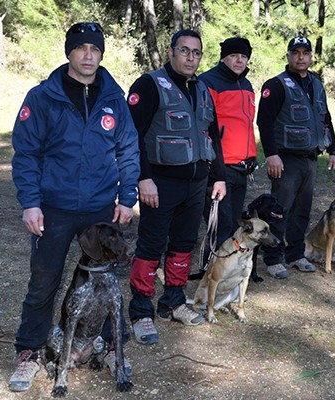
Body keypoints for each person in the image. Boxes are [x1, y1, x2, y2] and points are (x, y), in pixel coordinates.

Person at [9, 22, 140, 392]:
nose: (87, 55)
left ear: (101, 54)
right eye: (80, 47)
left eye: (94, 49)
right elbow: (27, 154)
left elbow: (128, 149)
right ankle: (30, 350)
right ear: (69, 52)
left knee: (107, 283)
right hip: (54, 208)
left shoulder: (114, 98)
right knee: (44, 282)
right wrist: (31, 204)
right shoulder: (42, 97)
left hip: (100, 208)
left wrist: (126, 199)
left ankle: (111, 344)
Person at [126, 29, 226, 345]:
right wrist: (143, 178)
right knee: (150, 246)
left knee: (183, 244)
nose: (191, 57)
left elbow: (213, 137)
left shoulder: (203, 89)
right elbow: (133, 137)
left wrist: (219, 176)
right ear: (171, 52)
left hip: (196, 184)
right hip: (160, 183)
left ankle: (173, 302)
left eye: (196, 52)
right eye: (185, 50)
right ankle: (141, 312)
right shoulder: (149, 85)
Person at [257, 36, 335, 279]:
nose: (301, 57)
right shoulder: (277, 85)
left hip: (310, 158)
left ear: (311, 56)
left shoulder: (316, 84)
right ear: (289, 55)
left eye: (305, 52)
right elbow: (265, 122)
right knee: (279, 209)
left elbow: (326, 118)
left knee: (302, 210)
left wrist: (334, 149)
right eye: (296, 52)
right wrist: (271, 155)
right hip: (286, 159)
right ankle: (273, 258)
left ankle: (295, 254)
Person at [198, 36, 257, 266]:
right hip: (218, 166)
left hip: (241, 166)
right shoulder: (208, 82)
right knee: (219, 224)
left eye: (243, 56)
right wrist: (215, 167)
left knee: (232, 223)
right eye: (234, 56)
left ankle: (224, 270)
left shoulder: (247, 84)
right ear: (223, 57)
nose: (239, 60)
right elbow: (205, 127)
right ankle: (210, 271)